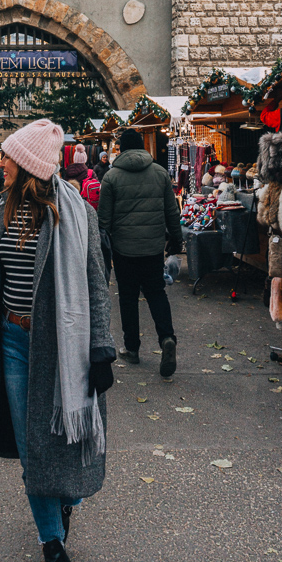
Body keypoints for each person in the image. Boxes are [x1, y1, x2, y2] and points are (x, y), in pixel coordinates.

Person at [0, 118, 115, 562]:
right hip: (13, 344)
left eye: (6, 156)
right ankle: (54, 554)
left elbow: (96, 285)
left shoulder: (76, 214)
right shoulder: (3, 209)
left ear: (28, 166)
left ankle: (64, 504)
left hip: (61, 346)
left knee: (61, 448)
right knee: (31, 449)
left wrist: (101, 347)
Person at [97, 127, 183, 376]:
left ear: (121, 149)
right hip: (153, 247)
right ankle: (167, 338)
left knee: (127, 297)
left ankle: (132, 348)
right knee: (156, 293)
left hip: (124, 249)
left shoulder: (111, 177)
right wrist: (176, 239)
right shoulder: (160, 173)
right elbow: (171, 212)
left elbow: (104, 220)